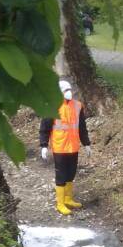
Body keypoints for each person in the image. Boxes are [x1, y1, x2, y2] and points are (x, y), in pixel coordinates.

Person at [40, 80, 90, 216]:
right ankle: (60, 203)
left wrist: (86, 143)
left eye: (70, 89)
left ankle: (68, 199)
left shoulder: (78, 106)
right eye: (65, 90)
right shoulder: (51, 107)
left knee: (71, 173)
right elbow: (44, 129)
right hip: (60, 147)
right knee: (61, 175)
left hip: (73, 147)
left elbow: (82, 128)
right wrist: (44, 145)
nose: (69, 92)